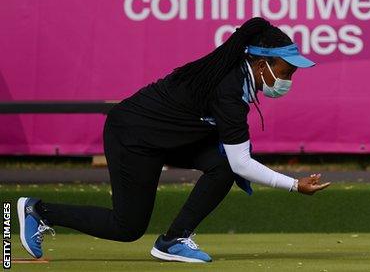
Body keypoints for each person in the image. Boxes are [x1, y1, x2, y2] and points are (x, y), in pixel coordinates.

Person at [17, 17, 331, 263]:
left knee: (223, 167)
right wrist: (293, 185)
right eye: (286, 71)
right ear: (261, 64)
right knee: (127, 228)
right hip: (132, 136)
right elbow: (241, 162)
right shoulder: (230, 91)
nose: (289, 80)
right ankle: (39, 210)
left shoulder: (237, 80)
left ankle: (173, 240)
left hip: (168, 136)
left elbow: (231, 156)